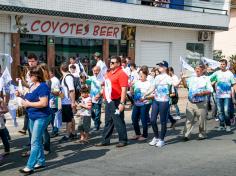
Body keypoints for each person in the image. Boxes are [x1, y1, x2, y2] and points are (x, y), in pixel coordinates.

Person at [19, 66, 50, 174]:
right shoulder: (32, 85)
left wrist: (28, 103)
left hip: (41, 117)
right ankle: (41, 161)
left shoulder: (43, 86)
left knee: (35, 141)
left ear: (36, 76)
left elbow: (44, 103)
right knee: (36, 140)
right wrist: (21, 97)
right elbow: (29, 98)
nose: (29, 76)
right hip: (32, 116)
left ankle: (29, 166)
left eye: (30, 75)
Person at [95, 56, 128, 148]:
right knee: (108, 121)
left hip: (116, 101)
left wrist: (122, 103)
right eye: (110, 62)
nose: (110, 63)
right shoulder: (108, 73)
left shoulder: (122, 74)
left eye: (113, 62)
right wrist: (100, 94)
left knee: (118, 120)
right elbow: (105, 86)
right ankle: (105, 140)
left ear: (118, 64)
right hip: (109, 100)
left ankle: (123, 140)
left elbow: (124, 90)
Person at [144, 61, 179, 147]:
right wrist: (146, 93)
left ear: (165, 68)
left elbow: (175, 84)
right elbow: (153, 87)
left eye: (161, 66)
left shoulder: (168, 77)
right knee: (152, 120)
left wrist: (181, 77)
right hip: (156, 100)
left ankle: (162, 139)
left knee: (163, 121)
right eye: (159, 65)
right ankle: (156, 137)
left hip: (164, 101)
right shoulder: (157, 77)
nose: (159, 67)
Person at [182, 64, 213, 141]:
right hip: (190, 102)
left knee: (201, 120)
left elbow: (210, 90)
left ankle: (202, 134)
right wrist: (183, 79)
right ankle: (186, 135)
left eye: (199, 68)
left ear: (202, 70)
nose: (197, 70)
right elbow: (186, 86)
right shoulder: (191, 78)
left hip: (201, 103)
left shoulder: (206, 79)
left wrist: (201, 93)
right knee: (189, 119)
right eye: (196, 68)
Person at [210, 59, 236, 132]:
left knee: (226, 110)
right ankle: (221, 125)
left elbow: (234, 84)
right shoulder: (216, 73)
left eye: (223, 64)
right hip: (218, 95)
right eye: (221, 64)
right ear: (219, 65)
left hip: (227, 95)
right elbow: (209, 79)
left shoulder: (230, 73)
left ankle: (228, 125)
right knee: (220, 111)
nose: (222, 65)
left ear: (226, 65)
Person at [18, 53, 38, 135]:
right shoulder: (29, 71)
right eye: (29, 61)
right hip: (29, 96)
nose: (30, 63)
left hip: (37, 98)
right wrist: (21, 81)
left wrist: (22, 82)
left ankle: (44, 145)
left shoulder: (38, 71)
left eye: (32, 61)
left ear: (36, 61)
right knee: (28, 116)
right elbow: (28, 84)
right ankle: (31, 141)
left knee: (37, 125)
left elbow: (32, 85)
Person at [130, 66, 152, 141]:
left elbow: (152, 95)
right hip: (137, 103)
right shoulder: (137, 82)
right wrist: (131, 88)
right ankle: (137, 133)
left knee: (143, 119)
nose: (140, 77)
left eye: (141, 75)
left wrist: (145, 98)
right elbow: (132, 92)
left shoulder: (149, 84)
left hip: (145, 104)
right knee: (134, 118)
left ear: (146, 75)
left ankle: (145, 135)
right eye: (139, 75)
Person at [60, 63, 77, 142]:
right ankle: (73, 133)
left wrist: (73, 102)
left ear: (60, 69)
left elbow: (72, 90)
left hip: (67, 102)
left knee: (68, 119)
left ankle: (68, 135)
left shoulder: (68, 77)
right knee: (71, 117)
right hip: (67, 101)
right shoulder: (66, 77)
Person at [86, 66, 103, 131]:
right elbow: (86, 83)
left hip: (98, 98)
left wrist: (99, 95)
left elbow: (103, 88)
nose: (95, 72)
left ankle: (96, 126)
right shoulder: (91, 78)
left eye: (97, 70)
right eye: (94, 71)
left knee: (97, 112)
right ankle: (97, 121)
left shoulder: (102, 78)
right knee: (90, 111)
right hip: (91, 97)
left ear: (99, 71)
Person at [48, 69, 61, 137]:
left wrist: (49, 90)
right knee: (53, 116)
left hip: (54, 99)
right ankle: (54, 129)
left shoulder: (55, 80)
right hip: (53, 99)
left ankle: (55, 130)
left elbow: (57, 91)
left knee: (54, 116)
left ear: (52, 73)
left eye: (48, 73)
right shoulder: (52, 80)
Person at [0, 95, 10, 160]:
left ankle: (7, 150)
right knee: (3, 135)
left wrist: (0, 112)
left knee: (3, 135)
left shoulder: (0, 99)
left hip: (0, 120)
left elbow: (6, 110)